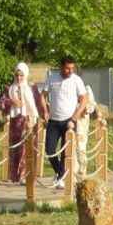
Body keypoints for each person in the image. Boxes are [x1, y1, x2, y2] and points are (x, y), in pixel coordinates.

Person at [40, 56, 87, 190]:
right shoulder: (52, 78)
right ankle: (60, 173)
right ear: (61, 67)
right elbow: (42, 96)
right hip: (54, 121)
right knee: (49, 151)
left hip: (69, 122)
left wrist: (75, 116)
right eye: (67, 68)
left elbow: (84, 99)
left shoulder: (76, 80)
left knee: (65, 153)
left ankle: (61, 177)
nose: (70, 70)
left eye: (72, 68)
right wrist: (45, 110)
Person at [3, 62, 39, 184]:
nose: (19, 78)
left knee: (24, 148)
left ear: (25, 76)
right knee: (14, 147)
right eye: (17, 75)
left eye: (21, 76)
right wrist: (11, 102)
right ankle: (14, 175)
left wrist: (32, 120)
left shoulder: (27, 89)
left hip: (25, 121)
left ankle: (24, 174)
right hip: (14, 121)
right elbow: (3, 102)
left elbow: (31, 106)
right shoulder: (11, 88)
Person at [74, 84, 97, 180]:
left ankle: (82, 172)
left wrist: (84, 108)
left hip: (81, 124)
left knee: (81, 148)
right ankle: (72, 173)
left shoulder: (86, 89)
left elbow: (91, 106)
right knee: (70, 149)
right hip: (71, 123)